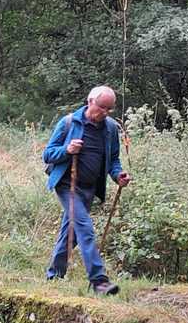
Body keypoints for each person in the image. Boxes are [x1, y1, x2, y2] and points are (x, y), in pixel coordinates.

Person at [42, 85, 131, 294]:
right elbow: (48, 154)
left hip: (89, 189)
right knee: (85, 228)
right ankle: (99, 281)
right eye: (102, 107)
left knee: (70, 232)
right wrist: (67, 150)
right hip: (68, 185)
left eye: (109, 109)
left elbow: (113, 160)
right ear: (90, 101)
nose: (105, 112)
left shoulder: (110, 129)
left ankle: (54, 275)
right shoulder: (69, 122)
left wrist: (118, 175)